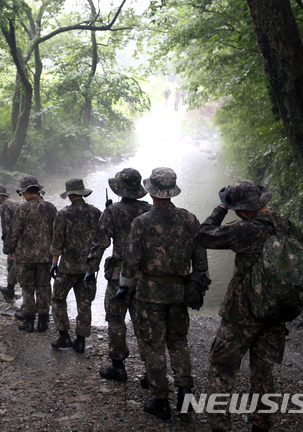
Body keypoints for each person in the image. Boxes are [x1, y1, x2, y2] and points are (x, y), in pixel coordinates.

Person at [195, 181, 303, 432]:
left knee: (222, 369)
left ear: (242, 208)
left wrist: (221, 207)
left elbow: (203, 235)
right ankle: (261, 424)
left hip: (242, 314)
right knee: (263, 372)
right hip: (277, 311)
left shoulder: (245, 229)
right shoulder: (289, 227)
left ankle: (220, 425)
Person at [120, 167, 209, 420]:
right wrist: (196, 285)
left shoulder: (142, 221)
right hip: (179, 292)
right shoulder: (190, 219)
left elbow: (130, 263)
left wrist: (124, 287)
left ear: (150, 191)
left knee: (154, 345)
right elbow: (200, 262)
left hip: (149, 294)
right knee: (178, 342)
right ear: (172, 191)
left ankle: (159, 400)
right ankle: (185, 396)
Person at [87, 168, 151, 381]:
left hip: (118, 275)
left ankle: (118, 366)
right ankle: (150, 371)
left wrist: (91, 269)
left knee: (116, 319)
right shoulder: (149, 210)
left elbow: (100, 243)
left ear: (119, 189)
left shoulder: (112, 211)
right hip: (144, 276)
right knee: (144, 321)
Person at [49, 178, 101, 354]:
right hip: (89, 268)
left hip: (67, 267)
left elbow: (57, 241)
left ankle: (64, 335)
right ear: (82, 193)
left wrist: (54, 263)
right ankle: (80, 341)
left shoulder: (63, 214)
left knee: (58, 298)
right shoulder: (96, 213)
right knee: (84, 303)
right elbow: (102, 240)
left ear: (69, 194)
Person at [5, 175, 57, 333]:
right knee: (44, 287)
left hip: (25, 257)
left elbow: (14, 232)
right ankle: (43, 322)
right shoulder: (51, 207)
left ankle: (28, 322)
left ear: (26, 192)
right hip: (46, 256)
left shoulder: (23, 209)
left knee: (27, 289)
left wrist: (9, 249)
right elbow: (57, 232)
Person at [0, 184, 20, 299]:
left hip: (15, 239)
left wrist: (8, 246)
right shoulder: (15, 202)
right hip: (22, 237)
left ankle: (10, 289)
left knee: (12, 263)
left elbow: (6, 228)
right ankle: (12, 288)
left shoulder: (4, 206)